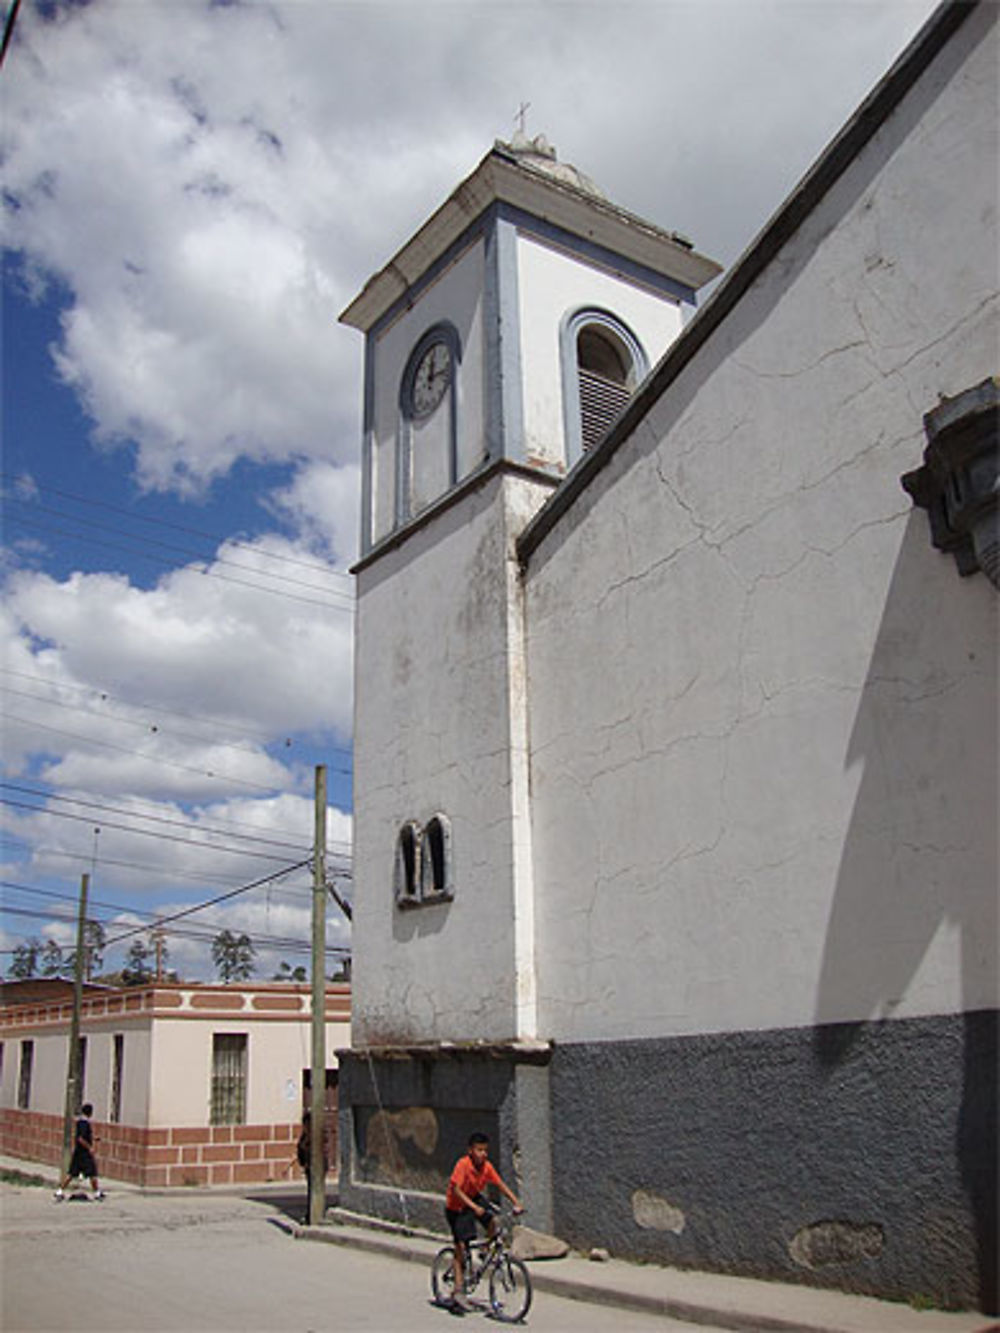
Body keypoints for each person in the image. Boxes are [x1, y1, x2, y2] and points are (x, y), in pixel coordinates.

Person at [444, 1132, 522, 1310]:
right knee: (461, 1248)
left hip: (473, 1199)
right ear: (470, 1151)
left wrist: (517, 1202)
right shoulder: (462, 1165)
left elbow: (500, 1185)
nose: (483, 1154)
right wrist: (473, 1207)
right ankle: (458, 1290)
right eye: (479, 1150)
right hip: (456, 1207)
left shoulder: (486, 1167)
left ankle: (485, 1251)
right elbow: (456, 1190)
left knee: (492, 1221)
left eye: (485, 1150)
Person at [54, 1103, 104, 1201]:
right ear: (90, 1113)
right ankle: (97, 1193)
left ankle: (60, 1191)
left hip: (78, 1153)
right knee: (92, 1172)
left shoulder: (80, 1122)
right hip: (84, 1153)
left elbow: (82, 1136)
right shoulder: (85, 1123)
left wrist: (93, 1138)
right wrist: (90, 1147)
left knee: (72, 1173)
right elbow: (80, 1138)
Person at [295, 1110, 329, 1222]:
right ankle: (312, 1214)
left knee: (314, 1190)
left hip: (315, 1166)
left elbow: (305, 1148)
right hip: (310, 1166)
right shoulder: (308, 1134)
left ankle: (315, 1214)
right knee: (313, 1190)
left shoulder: (313, 1134)